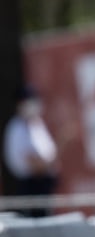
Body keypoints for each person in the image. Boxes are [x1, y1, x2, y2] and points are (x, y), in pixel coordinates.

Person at [3, 85, 60, 217]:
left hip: (44, 186)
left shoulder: (38, 124)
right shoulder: (16, 128)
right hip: (30, 188)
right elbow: (35, 164)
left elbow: (50, 157)